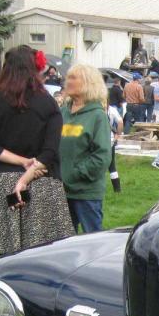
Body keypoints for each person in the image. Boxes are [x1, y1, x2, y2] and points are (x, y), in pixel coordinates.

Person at [0, 46, 72, 256]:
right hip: (41, 183)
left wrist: (21, 166)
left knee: (4, 257)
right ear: (33, 69)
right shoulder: (48, 103)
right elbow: (49, 152)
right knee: (40, 255)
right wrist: (26, 175)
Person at [59, 64, 112, 233]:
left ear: (88, 83)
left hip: (86, 193)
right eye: (68, 77)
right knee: (62, 243)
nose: (68, 81)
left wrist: (74, 174)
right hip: (61, 191)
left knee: (92, 243)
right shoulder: (62, 113)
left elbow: (102, 156)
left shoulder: (98, 116)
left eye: (74, 78)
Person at [106, 102, 123, 193]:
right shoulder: (112, 109)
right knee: (112, 166)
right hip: (110, 140)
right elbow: (120, 122)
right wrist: (117, 135)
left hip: (99, 140)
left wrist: (117, 135)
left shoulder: (92, 108)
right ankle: (117, 190)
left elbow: (120, 122)